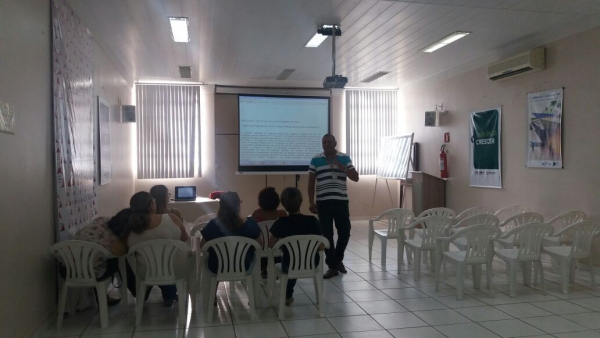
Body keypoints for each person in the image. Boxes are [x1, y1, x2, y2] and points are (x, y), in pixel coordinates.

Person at [308, 134, 359, 279]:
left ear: (335, 143)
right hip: (323, 202)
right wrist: (310, 201)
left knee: (345, 232)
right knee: (327, 234)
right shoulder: (315, 159)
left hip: (341, 201)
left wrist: (343, 168)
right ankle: (332, 266)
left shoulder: (344, 158)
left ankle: (338, 259)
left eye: (329, 141)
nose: (326, 144)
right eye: (324, 142)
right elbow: (311, 183)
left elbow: (355, 177)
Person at [127, 191, 190, 306]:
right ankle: (169, 295)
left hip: (146, 271)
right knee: (170, 262)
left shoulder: (131, 227)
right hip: (175, 269)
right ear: (151, 205)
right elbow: (185, 238)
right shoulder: (171, 218)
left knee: (152, 264)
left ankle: (146, 289)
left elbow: (130, 250)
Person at [269, 187, 322, 305]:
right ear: (301, 201)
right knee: (298, 259)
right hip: (312, 263)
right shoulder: (313, 221)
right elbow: (322, 246)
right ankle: (288, 295)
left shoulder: (281, 222)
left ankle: (286, 295)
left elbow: (271, 245)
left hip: (289, 264)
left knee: (288, 260)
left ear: (283, 203)